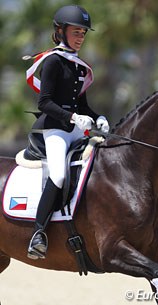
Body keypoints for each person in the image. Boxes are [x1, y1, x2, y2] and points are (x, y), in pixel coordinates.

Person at [27, 5, 110, 260]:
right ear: (60, 31)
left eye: (83, 33)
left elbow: (82, 105)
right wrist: (73, 117)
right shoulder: (52, 61)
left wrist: (99, 117)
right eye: (76, 32)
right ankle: (38, 233)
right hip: (55, 129)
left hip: (76, 130)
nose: (80, 37)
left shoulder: (78, 66)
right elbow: (44, 103)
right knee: (60, 175)